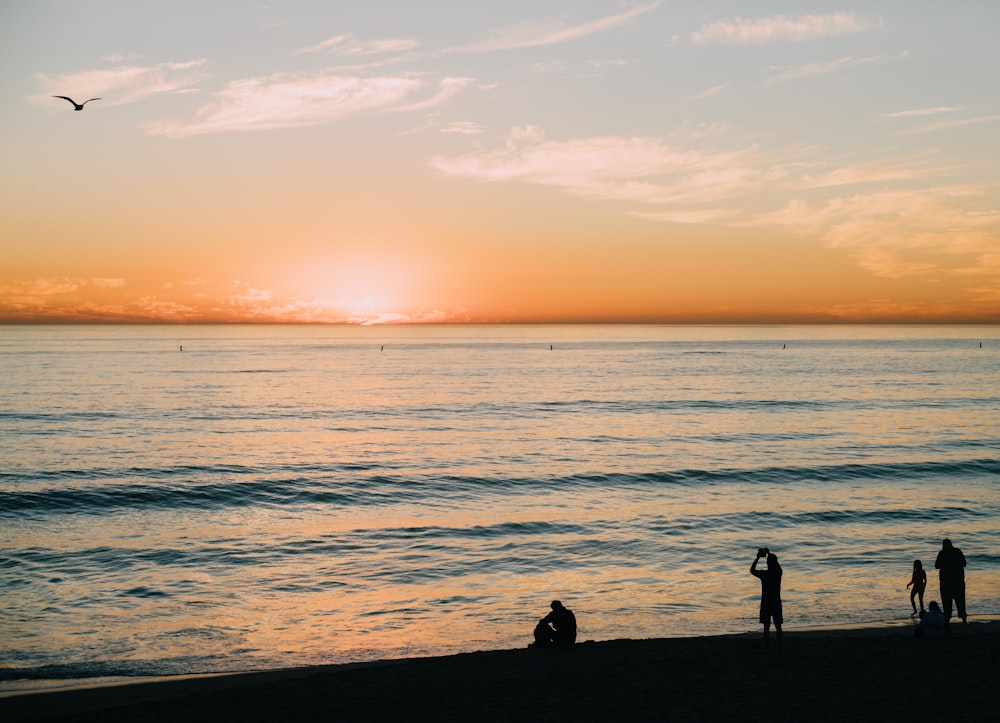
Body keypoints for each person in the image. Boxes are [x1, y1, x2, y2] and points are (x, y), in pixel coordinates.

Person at [750, 548, 783, 650]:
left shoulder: (765, 575)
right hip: (776, 602)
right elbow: (777, 565)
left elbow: (752, 570)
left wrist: (757, 558)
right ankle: (779, 647)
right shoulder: (778, 573)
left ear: (768, 564)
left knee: (766, 627)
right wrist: (769, 554)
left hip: (766, 603)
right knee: (778, 626)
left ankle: (767, 647)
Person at [934, 539, 967, 631]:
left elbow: (936, 566)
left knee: (947, 603)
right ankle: (964, 622)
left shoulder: (942, 553)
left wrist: (946, 564)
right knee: (960, 602)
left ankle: (947, 624)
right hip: (958, 582)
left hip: (946, 583)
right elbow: (964, 563)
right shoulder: (957, 551)